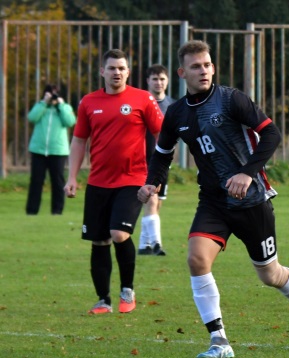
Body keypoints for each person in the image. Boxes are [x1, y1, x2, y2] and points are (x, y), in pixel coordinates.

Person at [138, 40, 289, 358]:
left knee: (270, 274)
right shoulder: (176, 113)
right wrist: (152, 182)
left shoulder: (231, 99)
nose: (203, 71)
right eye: (196, 66)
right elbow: (162, 154)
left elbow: (272, 134)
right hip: (213, 201)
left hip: (251, 200)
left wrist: (247, 173)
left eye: (207, 65)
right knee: (197, 259)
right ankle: (219, 339)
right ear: (182, 73)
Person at [64, 49, 164, 315]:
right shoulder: (88, 102)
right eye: (111, 68)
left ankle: (127, 290)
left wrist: (157, 175)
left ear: (128, 72)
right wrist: (72, 177)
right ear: (102, 72)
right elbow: (79, 141)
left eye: (121, 68)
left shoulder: (142, 98)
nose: (116, 72)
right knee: (99, 241)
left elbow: (162, 135)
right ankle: (103, 300)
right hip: (98, 182)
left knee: (119, 234)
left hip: (133, 180)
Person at [138, 64, 176, 256]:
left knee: (157, 203)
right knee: (151, 201)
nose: (158, 83)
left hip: (164, 161)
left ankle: (143, 245)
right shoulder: (141, 102)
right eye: (155, 79)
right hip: (145, 160)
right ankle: (156, 244)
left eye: (162, 79)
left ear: (167, 81)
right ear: (148, 81)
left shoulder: (173, 105)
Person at [25, 84, 76, 215]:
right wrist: (44, 103)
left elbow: (70, 121)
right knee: (36, 181)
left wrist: (61, 105)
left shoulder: (65, 107)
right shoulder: (40, 106)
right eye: (50, 93)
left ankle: (57, 210)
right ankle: (31, 210)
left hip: (58, 151)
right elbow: (32, 117)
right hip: (38, 150)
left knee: (58, 182)